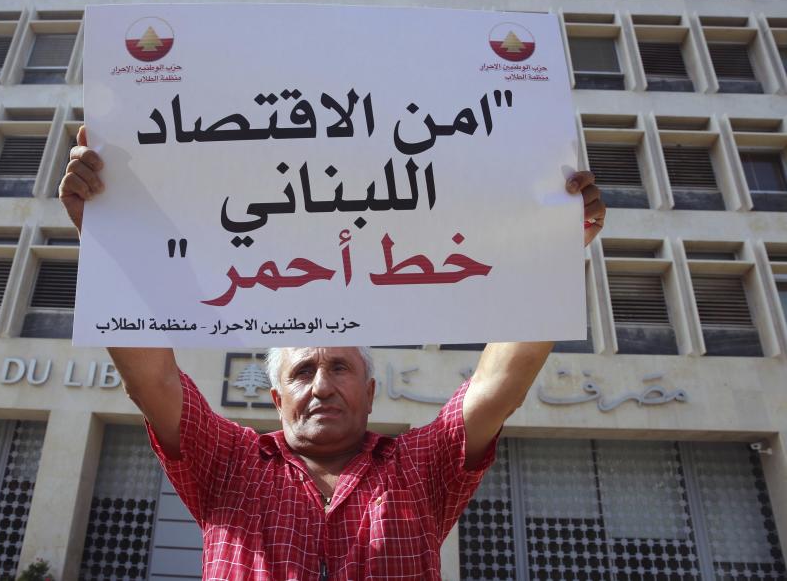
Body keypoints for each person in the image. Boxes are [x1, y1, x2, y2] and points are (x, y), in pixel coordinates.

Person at [61, 126, 606, 580]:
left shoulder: (420, 468)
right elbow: (152, 381)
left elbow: (498, 385)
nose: (321, 385)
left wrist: (556, 249)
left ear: (369, 393)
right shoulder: (228, 465)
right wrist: (112, 236)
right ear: (277, 398)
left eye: (340, 367)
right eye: (303, 371)